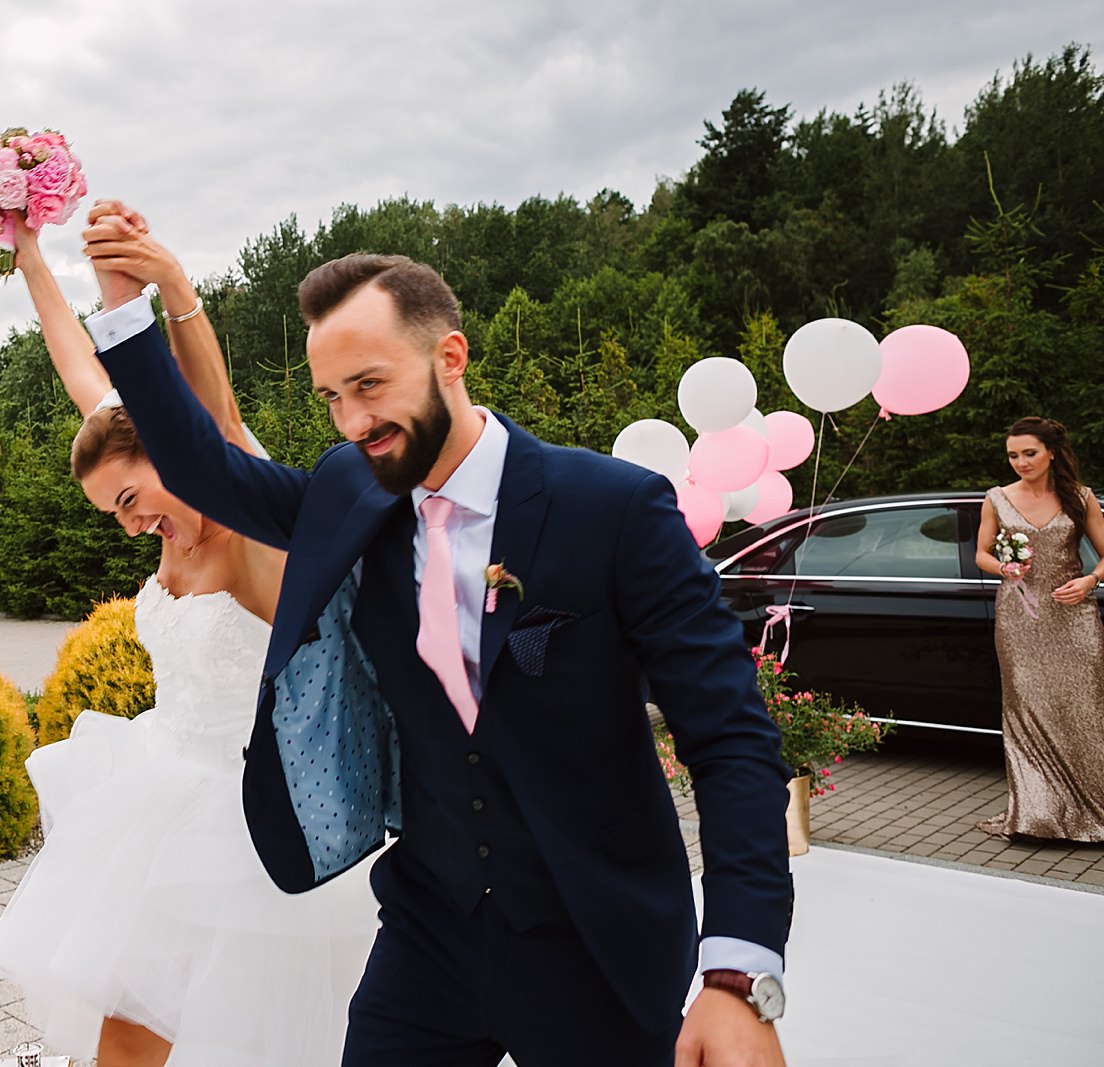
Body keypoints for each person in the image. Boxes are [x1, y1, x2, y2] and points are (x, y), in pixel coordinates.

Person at [80, 216, 794, 1067]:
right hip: (429, 933)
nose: (352, 420)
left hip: (594, 941)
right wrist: (125, 312)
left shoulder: (616, 509)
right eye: (331, 396)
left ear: (449, 358)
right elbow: (205, 468)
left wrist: (739, 973)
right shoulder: (351, 491)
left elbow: (732, 742)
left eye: (370, 385)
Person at [0, 206, 379, 1067]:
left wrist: (174, 292)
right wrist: (31, 252)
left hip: (250, 824)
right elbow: (79, 367)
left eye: (129, 501)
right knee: (125, 1034)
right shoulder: (163, 523)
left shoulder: (252, 532)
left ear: (174, 450)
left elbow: (222, 417)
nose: (130, 527)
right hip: (164, 796)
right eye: (113, 514)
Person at [974, 416, 1104, 842]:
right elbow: (981, 554)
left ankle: (1091, 809)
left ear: (1051, 452)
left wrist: (1089, 580)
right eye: (1013, 455)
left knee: (1083, 711)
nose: (1020, 462)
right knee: (1025, 711)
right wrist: (1004, 567)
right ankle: (1037, 816)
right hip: (1021, 618)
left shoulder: (1081, 498)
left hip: (1075, 618)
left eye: (1029, 453)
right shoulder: (996, 498)